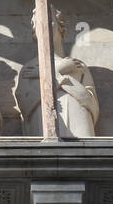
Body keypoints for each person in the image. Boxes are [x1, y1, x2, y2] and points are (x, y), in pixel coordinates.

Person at [16, 8, 99, 138]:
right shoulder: (29, 69)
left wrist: (53, 74)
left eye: (49, 20)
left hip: (80, 130)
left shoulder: (77, 66)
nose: (45, 26)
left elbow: (91, 103)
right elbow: (26, 107)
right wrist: (60, 71)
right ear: (34, 31)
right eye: (39, 23)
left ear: (60, 27)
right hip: (43, 133)